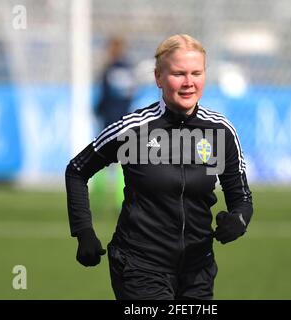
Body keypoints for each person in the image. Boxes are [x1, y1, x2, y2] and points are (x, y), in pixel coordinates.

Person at [65, 34, 254, 300]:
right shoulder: (133, 129)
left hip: (198, 272)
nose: (189, 82)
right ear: (158, 77)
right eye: (178, 73)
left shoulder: (220, 131)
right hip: (140, 266)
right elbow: (76, 171)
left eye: (196, 73)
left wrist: (239, 220)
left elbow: (242, 198)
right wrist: (83, 231)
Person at [94, 36, 135, 129]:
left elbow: (107, 94)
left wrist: (99, 109)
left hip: (111, 116)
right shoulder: (128, 69)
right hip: (124, 115)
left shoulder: (112, 69)